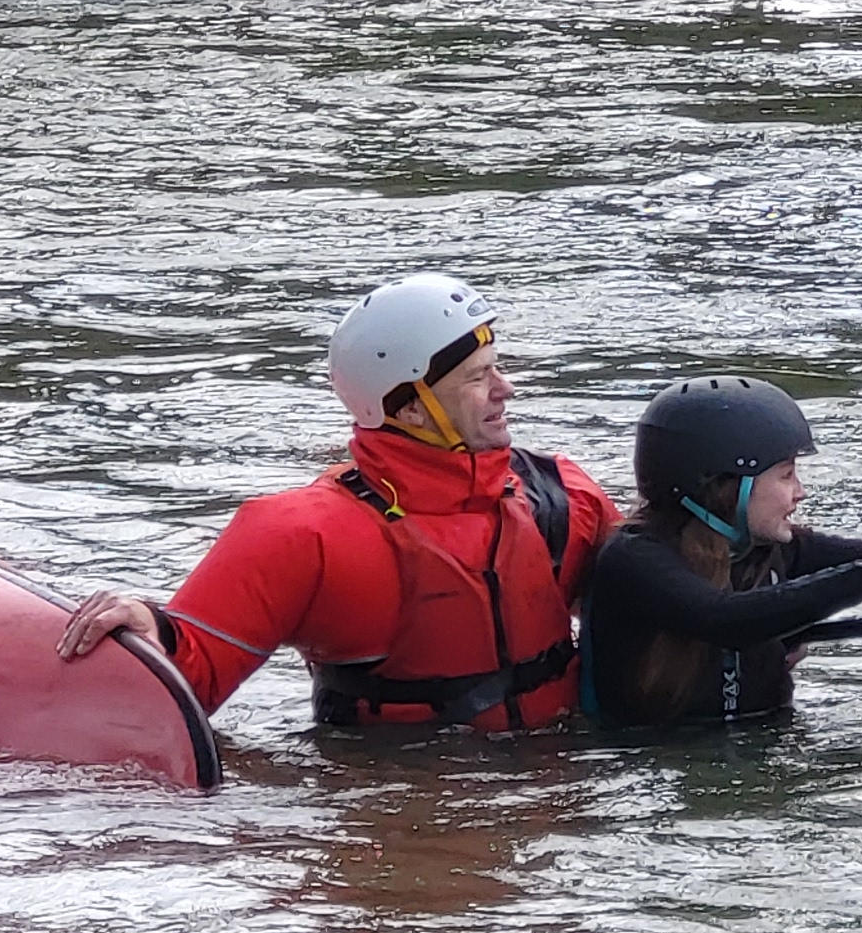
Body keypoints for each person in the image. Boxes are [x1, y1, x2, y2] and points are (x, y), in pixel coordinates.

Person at [56, 274, 620, 730]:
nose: (506, 389)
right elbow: (189, 679)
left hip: (555, 810)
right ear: (412, 410)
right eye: (478, 378)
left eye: (497, 367)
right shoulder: (303, 537)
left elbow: (656, 598)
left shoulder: (561, 495)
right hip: (396, 812)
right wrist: (149, 632)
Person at [577, 378, 862, 731]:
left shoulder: (773, 549)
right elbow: (723, 618)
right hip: (654, 765)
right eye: (786, 475)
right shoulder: (633, 558)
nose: (800, 492)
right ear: (726, 486)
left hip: (762, 743)